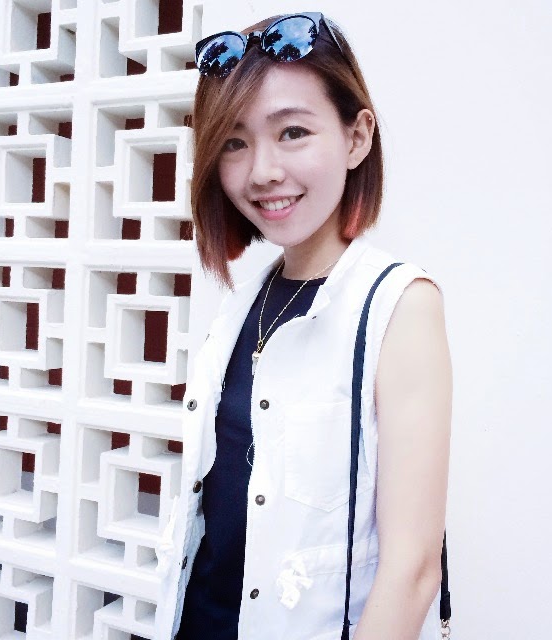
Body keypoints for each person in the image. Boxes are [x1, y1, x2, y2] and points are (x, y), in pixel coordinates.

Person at [154, 11, 452, 640]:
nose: (262, 170)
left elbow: (413, 571)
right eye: (234, 142)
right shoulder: (241, 305)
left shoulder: (398, 306)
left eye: (292, 132)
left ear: (356, 137)